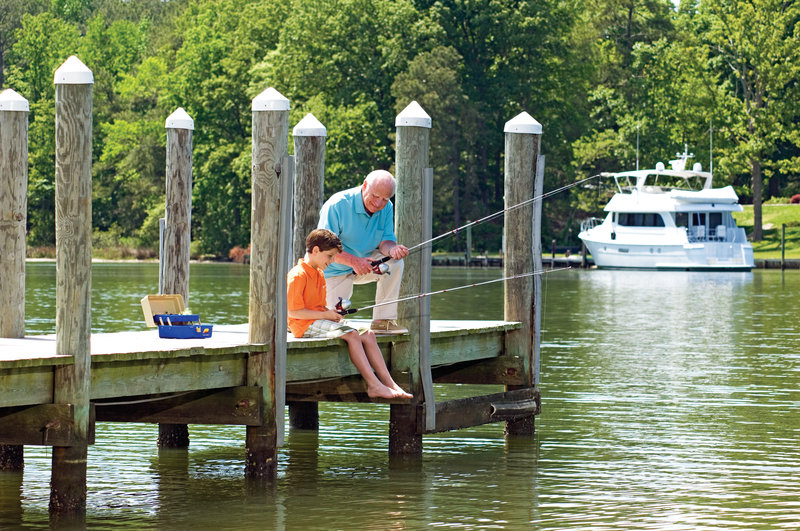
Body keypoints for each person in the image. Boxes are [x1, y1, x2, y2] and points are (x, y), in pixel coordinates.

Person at [287, 228, 412, 400]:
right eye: (329, 256)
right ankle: (374, 385)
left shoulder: (319, 273)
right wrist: (326, 316)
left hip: (317, 319)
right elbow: (293, 311)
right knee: (352, 335)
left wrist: (331, 313)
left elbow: (318, 306)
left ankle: (390, 384)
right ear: (315, 250)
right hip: (302, 325)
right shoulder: (298, 275)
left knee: (368, 334)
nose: (332, 261)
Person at [317, 169, 409, 335]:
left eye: (385, 199)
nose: (379, 203)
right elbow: (325, 249)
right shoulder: (337, 204)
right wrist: (354, 261)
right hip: (333, 270)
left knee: (394, 262)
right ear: (365, 185)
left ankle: (383, 321)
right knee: (332, 324)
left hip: (364, 264)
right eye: (375, 196)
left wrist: (392, 249)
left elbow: (385, 241)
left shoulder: (387, 207)